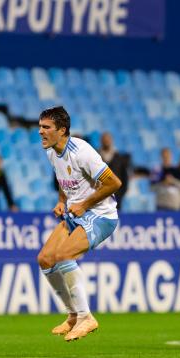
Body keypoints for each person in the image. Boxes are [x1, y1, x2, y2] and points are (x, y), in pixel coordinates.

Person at [37, 106, 122, 342]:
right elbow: (64, 180)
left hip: (101, 215)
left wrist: (84, 204)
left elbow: (114, 183)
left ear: (62, 130)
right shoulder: (52, 152)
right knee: (45, 259)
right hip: (76, 214)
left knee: (64, 255)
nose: (40, 132)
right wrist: (61, 201)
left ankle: (87, 317)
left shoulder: (82, 151)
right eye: (40, 126)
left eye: (46, 127)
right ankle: (73, 314)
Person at [98, 132, 129, 209]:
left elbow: (124, 178)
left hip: (116, 197)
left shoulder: (119, 157)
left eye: (108, 140)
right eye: (104, 140)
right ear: (101, 141)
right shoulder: (96, 155)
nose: (106, 141)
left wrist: (120, 194)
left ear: (111, 140)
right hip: (99, 197)